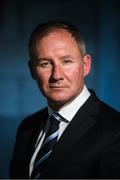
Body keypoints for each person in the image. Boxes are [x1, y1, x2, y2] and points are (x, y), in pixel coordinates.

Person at [10, 21, 120, 179]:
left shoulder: (115, 130)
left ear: (86, 65)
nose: (56, 75)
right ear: (32, 70)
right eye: (45, 63)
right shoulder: (27, 128)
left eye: (66, 61)